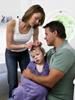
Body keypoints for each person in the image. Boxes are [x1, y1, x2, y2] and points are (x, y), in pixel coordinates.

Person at [22, 21, 75, 100]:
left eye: (46, 34)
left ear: (55, 33)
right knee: (16, 92)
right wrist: (37, 49)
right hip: (47, 94)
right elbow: (38, 59)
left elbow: (49, 82)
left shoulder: (66, 52)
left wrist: (30, 75)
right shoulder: (53, 51)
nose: (44, 37)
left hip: (57, 98)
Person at [5, 4, 45, 98]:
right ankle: (13, 98)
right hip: (11, 54)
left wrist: (37, 44)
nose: (37, 22)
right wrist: (25, 45)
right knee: (13, 81)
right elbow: (9, 45)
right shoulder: (12, 23)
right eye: (36, 18)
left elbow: (35, 47)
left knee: (27, 78)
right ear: (30, 13)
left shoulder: (35, 28)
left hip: (24, 54)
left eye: (39, 20)